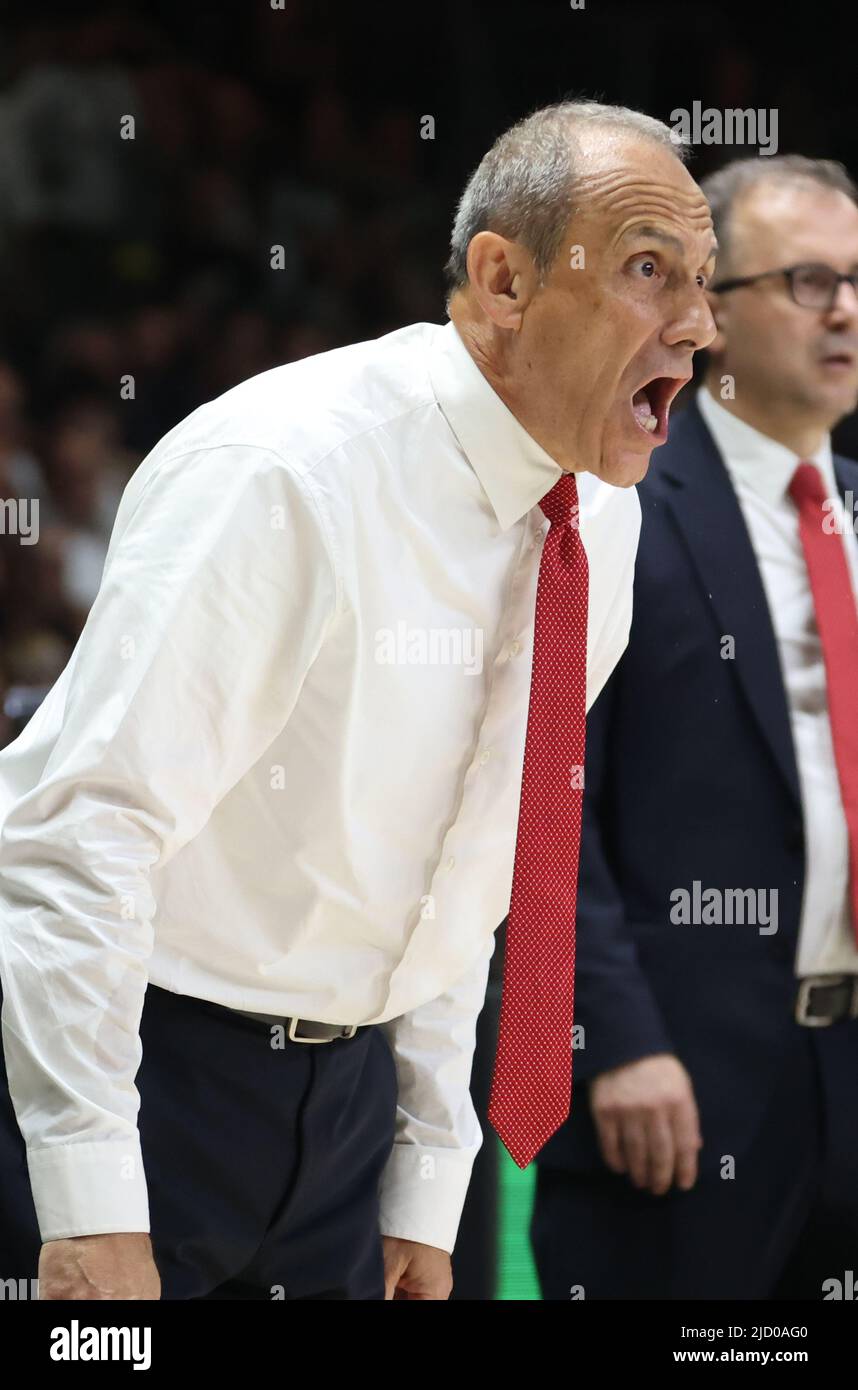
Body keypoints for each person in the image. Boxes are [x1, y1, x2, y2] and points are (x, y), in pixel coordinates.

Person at [0, 99, 715, 1301]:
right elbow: (81, 836)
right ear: (502, 282)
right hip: (141, 1075)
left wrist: (423, 1181)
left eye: (702, 282)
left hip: (351, 1114)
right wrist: (89, 1196)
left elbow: (476, 867)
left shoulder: (603, 518)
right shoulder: (284, 470)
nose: (695, 324)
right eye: (650, 270)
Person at [531, 155, 858, 1300]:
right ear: (711, 308)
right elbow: (543, 804)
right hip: (676, 1082)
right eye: (811, 280)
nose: (848, 311)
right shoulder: (615, 508)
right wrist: (611, 1035)